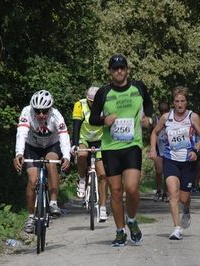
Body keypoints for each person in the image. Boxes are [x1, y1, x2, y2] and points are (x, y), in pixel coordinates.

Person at [89, 54, 153, 246]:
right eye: (115, 68)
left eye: (122, 68)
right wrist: (103, 120)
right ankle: (119, 231)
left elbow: (149, 106)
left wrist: (148, 119)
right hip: (110, 148)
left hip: (132, 145)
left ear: (127, 70)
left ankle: (131, 220)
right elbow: (93, 119)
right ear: (110, 71)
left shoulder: (138, 87)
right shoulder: (103, 92)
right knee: (116, 191)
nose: (119, 71)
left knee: (132, 188)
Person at [149, 86, 200, 240]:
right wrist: (153, 150)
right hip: (170, 159)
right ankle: (176, 228)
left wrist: (195, 150)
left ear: (186, 102)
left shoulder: (193, 117)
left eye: (182, 101)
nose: (180, 104)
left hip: (188, 161)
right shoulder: (166, 117)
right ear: (173, 102)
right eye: (177, 101)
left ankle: (186, 210)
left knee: (183, 198)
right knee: (173, 193)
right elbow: (154, 132)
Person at [13, 90, 71, 234]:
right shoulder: (26, 112)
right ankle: (31, 217)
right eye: (37, 111)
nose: (41, 115)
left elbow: (64, 137)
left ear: (49, 109)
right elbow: (21, 134)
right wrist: (19, 153)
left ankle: (53, 202)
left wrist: (66, 156)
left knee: (51, 162)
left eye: (44, 111)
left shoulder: (56, 116)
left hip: (52, 145)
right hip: (31, 146)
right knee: (32, 181)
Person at [71, 86, 108, 222]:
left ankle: (103, 207)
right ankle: (81, 179)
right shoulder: (80, 105)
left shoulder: (106, 106)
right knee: (82, 155)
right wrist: (75, 145)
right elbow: (76, 125)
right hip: (84, 138)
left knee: (103, 175)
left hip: (100, 140)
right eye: (92, 102)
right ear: (88, 100)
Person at [151, 102, 169, 202]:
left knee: (167, 172)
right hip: (158, 148)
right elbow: (152, 131)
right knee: (158, 171)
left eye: (165, 111)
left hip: (168, 148)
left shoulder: (171, 118)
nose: (163, 113)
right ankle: (158, 190)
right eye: (162, 111)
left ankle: (166, 193)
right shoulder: (156, 119)